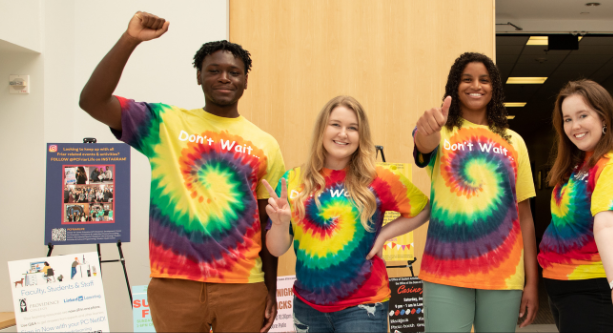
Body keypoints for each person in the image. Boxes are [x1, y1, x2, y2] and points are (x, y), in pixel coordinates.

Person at [77, 11, 285, 332]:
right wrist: (130, 39)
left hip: (243, 286)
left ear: (245, 80)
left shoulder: (265, 143)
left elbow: (268, 221)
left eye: (234, 71)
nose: (224, 77)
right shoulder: (163, 123)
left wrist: (270, 291)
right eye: (213, 70)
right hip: (174, 285)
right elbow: (91, 100)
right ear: (198, 77)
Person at [263, 96, 431, 332]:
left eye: (353, 128)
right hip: (307, 308)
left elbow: (424, 209)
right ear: (322, 129)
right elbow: (276, 249)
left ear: (361, 137)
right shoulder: (292, 180)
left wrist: (382, 235)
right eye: (335, 125)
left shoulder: (379, 178)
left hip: (364, 308)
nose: (343, 134)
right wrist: (280, 224)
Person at [412, 52, 538, 332]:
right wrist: (426, 129)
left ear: (494, 88)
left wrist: (532, 282)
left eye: (484, 80)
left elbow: (525, 218)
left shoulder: (513, 141)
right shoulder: (441, 132)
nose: (475, 86)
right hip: (444, 272)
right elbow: (423, 144)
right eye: (466, 79)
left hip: (504, 276)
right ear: (454, 87)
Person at [537, 80, 613, 332]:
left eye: (582, 115)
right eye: (567, 119)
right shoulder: (579, 162)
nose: (574, 126)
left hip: (592, 286)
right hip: (561, 284)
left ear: (604, 117)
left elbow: (608, 224)